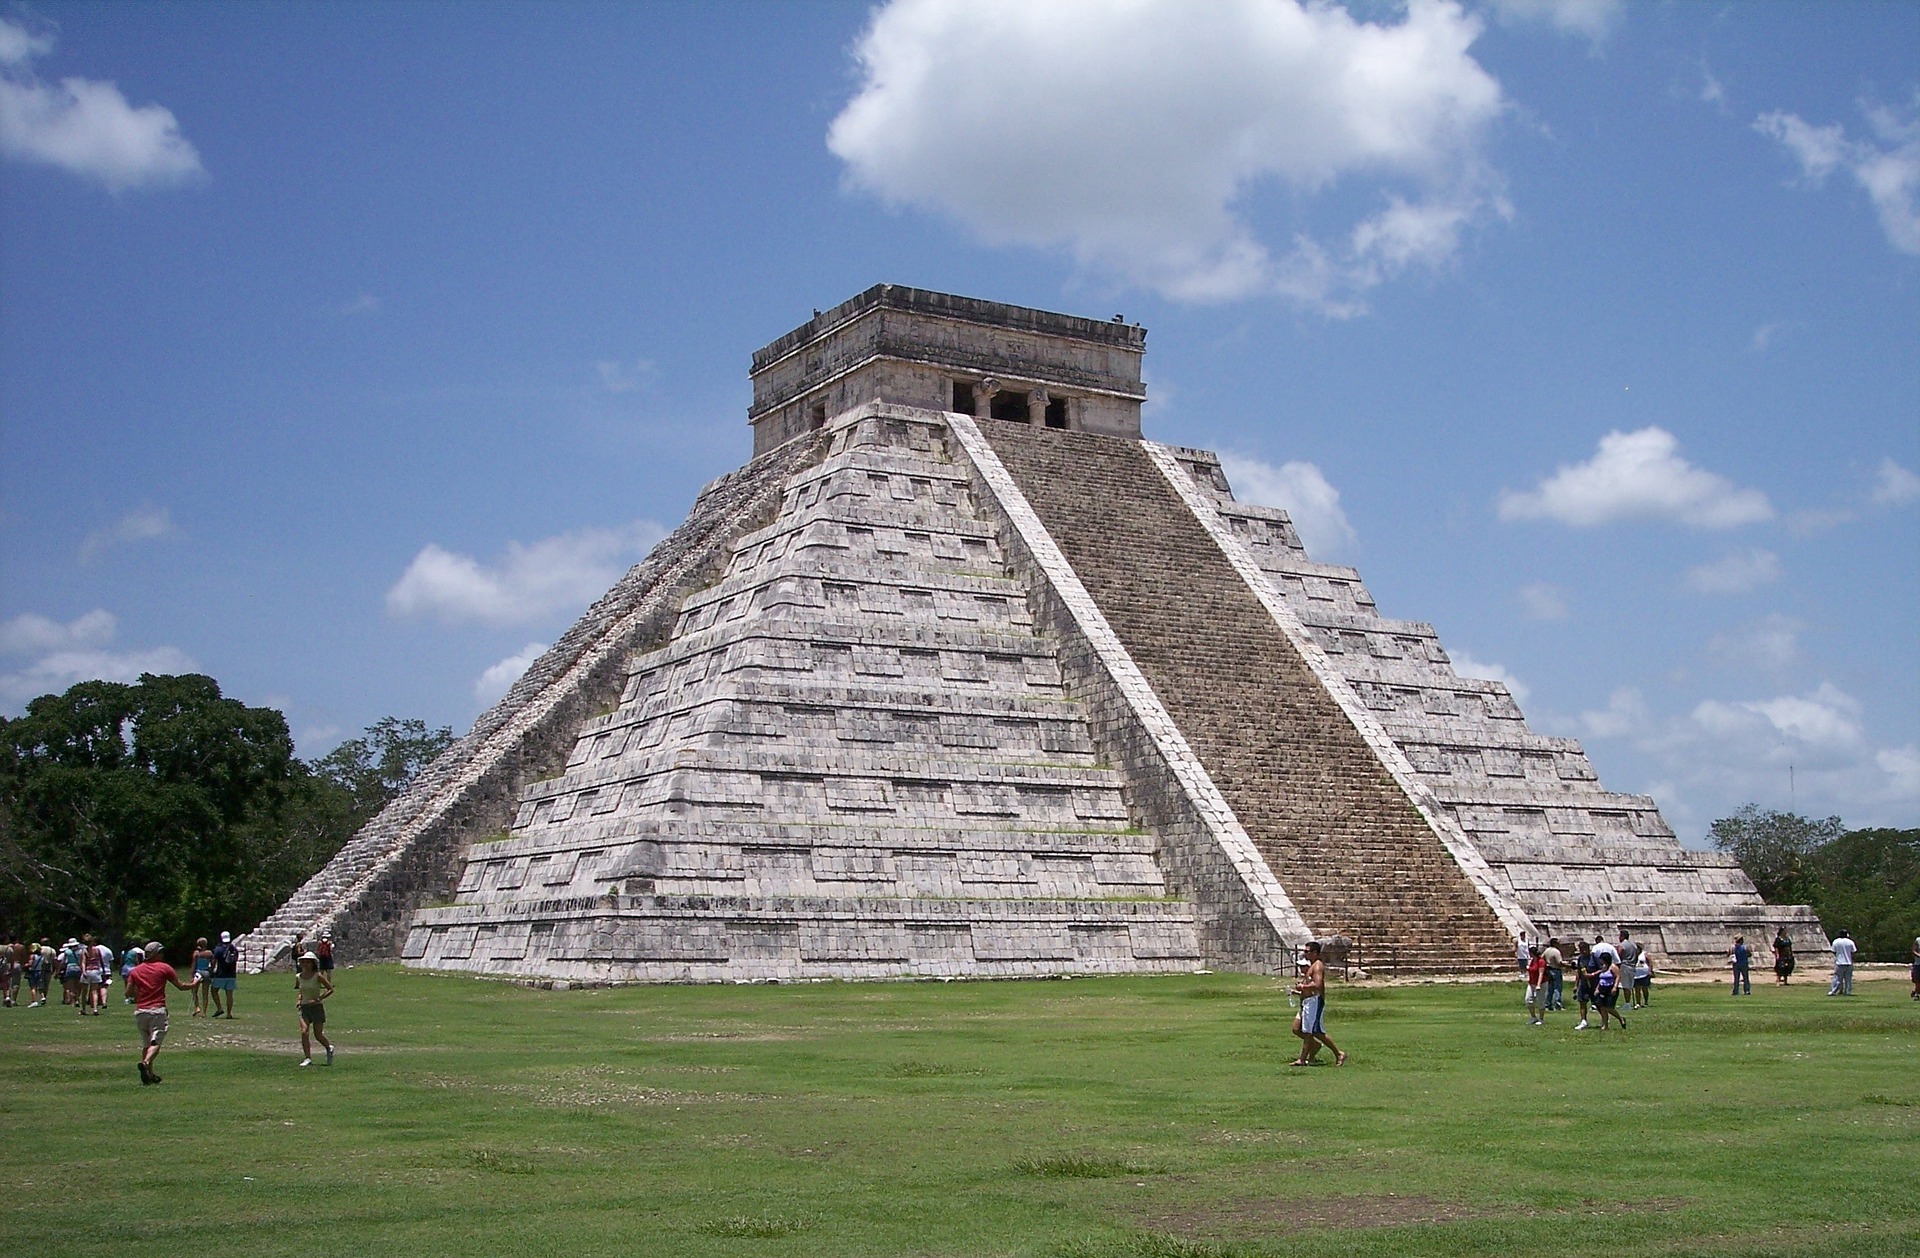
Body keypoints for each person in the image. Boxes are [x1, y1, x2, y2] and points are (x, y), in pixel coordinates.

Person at [126, 941, 198, 1085]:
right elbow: (181, 986)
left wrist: (138, 994)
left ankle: (150, 1075)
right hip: (157, 1010)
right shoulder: (164, 968)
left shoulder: (135, 971)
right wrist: (194, 984)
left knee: (146, 1044)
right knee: (156, 1042)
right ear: (156, 954)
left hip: (140, 1011)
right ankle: (145, 1063)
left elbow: (128, 993)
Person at [1289, 941, 1346, 1066]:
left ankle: (1305, 1058)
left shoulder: (1318, 966)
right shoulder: (1312, 965)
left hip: (1314, 1002)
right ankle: (1314, 1048)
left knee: (1313, 1031)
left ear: (1315, 952)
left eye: (1307, 951)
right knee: (1297, 1028)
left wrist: (1303, 986)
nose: (1305, 954)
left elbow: (1318, 984)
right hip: (1307, 1002)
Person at [293, 952, 334, 1067]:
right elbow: (301, 990)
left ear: (312, 963)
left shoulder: (318, 976)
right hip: (304, 1007)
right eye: (303, 962)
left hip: (316, 1007)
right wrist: (299, 1000)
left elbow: (330, 989)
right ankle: (307, 1058)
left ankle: (328, 1047)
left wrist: (318, 999)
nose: (305, 964)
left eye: (307, 962)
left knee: (318, 1035)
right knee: (304, 1031)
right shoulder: (299, 977)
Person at [1592, 948, 1627, 1030]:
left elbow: (1618, 977)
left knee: (1609, 1007)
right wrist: (1597, 988)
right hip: (1602, 988)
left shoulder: (1613, 967)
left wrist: (1615, 987)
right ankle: (1605, 1024)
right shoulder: (1603, 968)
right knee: (1601, 1006)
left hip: (1611, 988)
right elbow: (1601, 979)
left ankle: (1620, 1018)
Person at [209, 930, 239, 1017]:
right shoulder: (234, 949)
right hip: (232, 974)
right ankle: (229, 1013)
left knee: (214, 990)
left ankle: (219, 1008)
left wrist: (211, 970)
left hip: (220, 974)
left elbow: (214, 961)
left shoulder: (218, 949)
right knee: (229, 994)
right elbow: (236, 960)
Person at [1573, 940, 1596, 1030]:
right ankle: (1583, 1021)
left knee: (1598, 1003)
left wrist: (1593, 974)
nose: (1584, 951)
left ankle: (1604, 1019)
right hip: (1583, 984)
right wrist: (1576, 985)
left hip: (1593, 984)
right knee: (1582, 1002)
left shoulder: (1594, 958)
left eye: (1585, 949)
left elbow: (1601, 969)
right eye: (1581, 950)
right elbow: (1578, 972)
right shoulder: (1580, 959)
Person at [1828, 930, 1857, 996]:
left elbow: (1833, 951)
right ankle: (1847, 991)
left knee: (1837, 978)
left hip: (1839, 962)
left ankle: (1834, 991)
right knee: (1848, 979)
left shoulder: (1836, 941)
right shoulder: (1850, 942)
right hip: (1849, 963)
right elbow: (1853, 951)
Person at [190, 938, 214, 1016]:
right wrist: (211, 970)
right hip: (206, 972)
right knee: (205, 993)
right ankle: (204, 1012)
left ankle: (197, 1007)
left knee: (194, 990)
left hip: (198, 972)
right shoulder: (209, 953)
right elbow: (213, 963)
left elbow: (193, 965)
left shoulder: (196, 953)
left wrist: (192, 975)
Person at [1525, 944, 1548, 1026]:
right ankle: (1533, 1017)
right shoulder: (1531, 961)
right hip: (1532, 983)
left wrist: (1538, 985)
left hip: (1541, 983)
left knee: (1540, 1001)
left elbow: (1541, 974)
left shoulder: (1541, 961)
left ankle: (1541, 1019)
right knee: (1528, 1000)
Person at [1542, 938, 1565, 1011]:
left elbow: (1542, 958)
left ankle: (1547, 1005)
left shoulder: (1547, 950)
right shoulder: (1556, 952)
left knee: (1550, 989)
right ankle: (1557, 1005)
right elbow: (1559, 962)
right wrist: (1568, 965)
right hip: (1556, 970)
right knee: (1557, 988)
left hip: (1549, 970)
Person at [1909, 936, 1919, 1002]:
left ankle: (1915, 992)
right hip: (1918, 964)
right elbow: (1914, 951)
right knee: (1918, 981)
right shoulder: (1918, 940)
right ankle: (1916, 993)